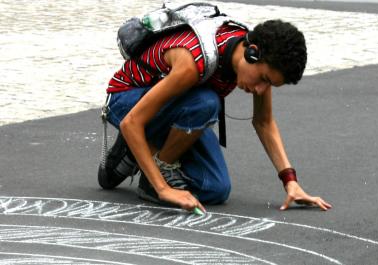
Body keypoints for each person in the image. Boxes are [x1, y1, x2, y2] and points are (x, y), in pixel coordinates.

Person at [98, 18, 332, 213]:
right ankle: (152, 174)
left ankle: (140, 151)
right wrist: (163, 189)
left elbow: (264, 122)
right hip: (127, 102)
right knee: (207, 102)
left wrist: (290, 182)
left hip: (178, 109)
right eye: (264, 80)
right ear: (252, 53)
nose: (261, 90)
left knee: (215, 188)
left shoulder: (255, 55)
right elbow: (132, 122)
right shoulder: (192, 62)